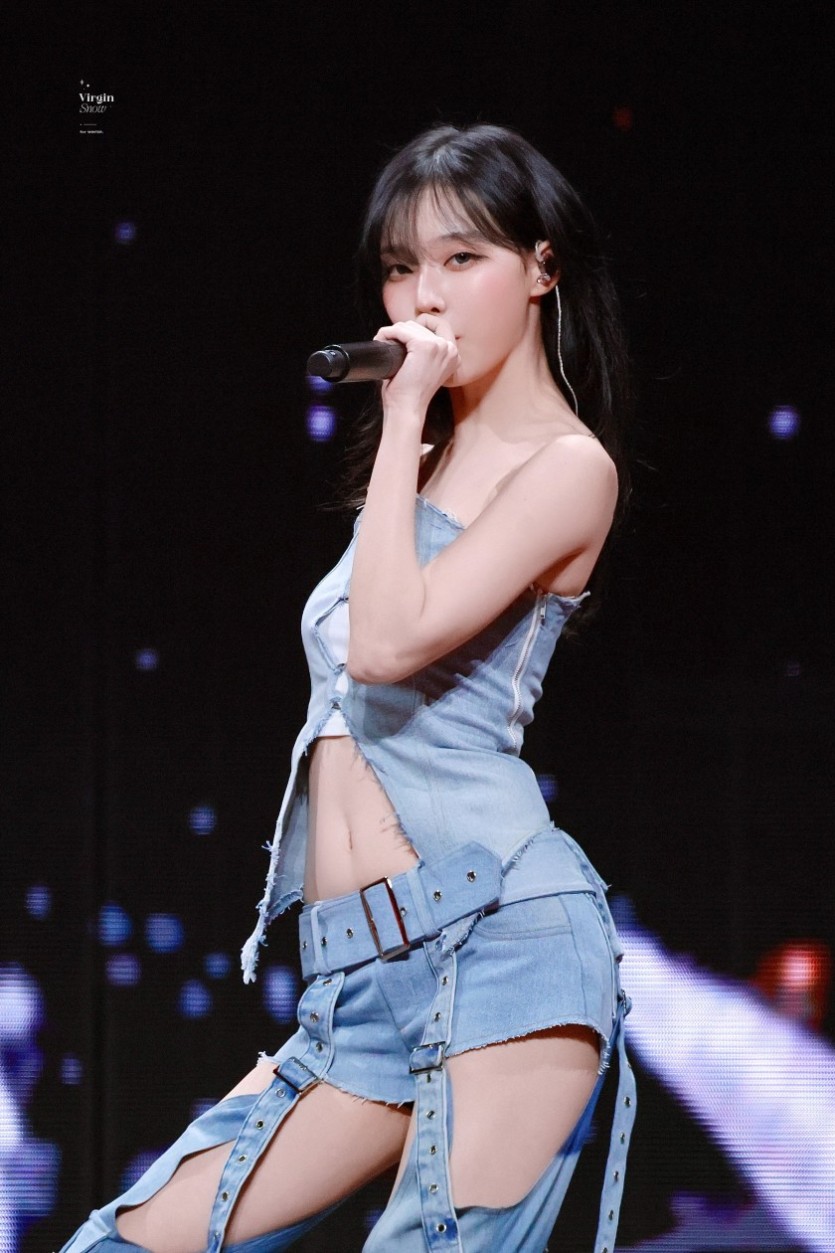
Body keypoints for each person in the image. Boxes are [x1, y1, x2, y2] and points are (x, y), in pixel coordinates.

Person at [61, 122, 636, 1253]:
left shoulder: (569, 467)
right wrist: (407, 440)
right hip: (356, 984)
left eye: (461, 258)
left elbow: (384, 642)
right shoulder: (416, 464)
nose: (424, 296)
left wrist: (401, 410)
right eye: (399, 265)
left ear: (541, 268)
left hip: (501, 947)